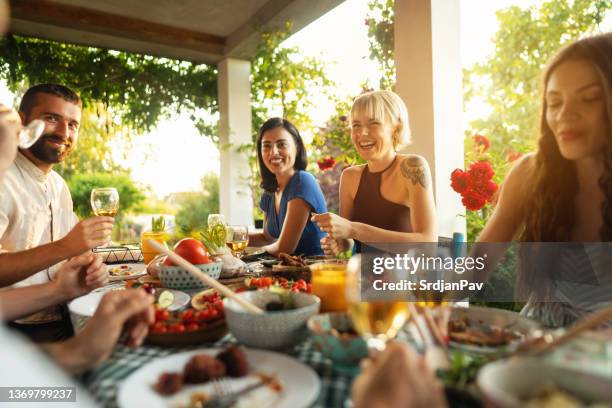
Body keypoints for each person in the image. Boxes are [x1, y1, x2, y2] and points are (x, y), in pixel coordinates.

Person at [475, 32, 612, 328]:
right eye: (554, 102)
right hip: (535, 343)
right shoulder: (531, 173)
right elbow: (479, 262)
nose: (565, 114)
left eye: (588, 99)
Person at [0, 84, 114, 341]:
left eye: (73, 124)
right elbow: (65, 245)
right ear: (23, 120)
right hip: (15, 332)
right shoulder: (2, 174)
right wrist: (65, 246)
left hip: (65, 315)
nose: (64, 132)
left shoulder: (58, 185)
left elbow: (71, 253)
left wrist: (89, 265)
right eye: (52, 118)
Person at [312, 90, 437, 254]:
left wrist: (353, 229)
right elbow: (348, 240)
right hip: (360, 276)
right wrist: (338, 244)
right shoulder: (349, 177)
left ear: (396, 127)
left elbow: (427, 242)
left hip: (404, 278)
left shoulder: (413, 167)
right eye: (356, 125)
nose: (362, 133)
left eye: (374, 123)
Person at [249, 118, 327, 256]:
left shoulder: (303, 181)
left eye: (281, 144)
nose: (273, 152)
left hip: (314, 272)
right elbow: (267, 238)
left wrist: (246, 255)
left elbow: (284, 248)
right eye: (266, 146)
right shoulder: (269, 191)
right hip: (284, 272)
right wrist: (228, 240)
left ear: (296, 148)